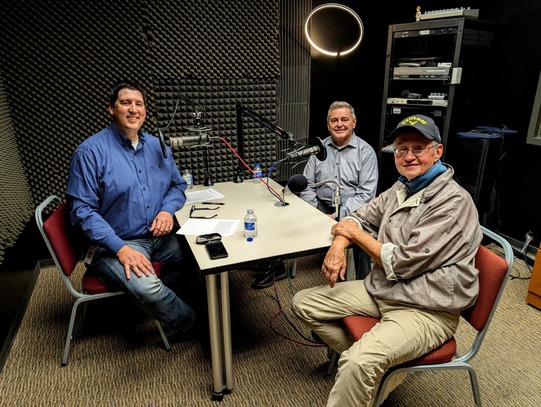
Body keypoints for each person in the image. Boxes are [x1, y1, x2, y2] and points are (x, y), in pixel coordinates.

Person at [291, 114, 482, 406]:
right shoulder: (402, 187)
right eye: (402, 148)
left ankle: (368, 367)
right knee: (304, 303)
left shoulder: (452, 203)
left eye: (418, 148)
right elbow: (359, 217)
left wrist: (352, 233)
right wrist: (339, 245)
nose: (408, 156)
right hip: (385, 290)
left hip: (427, 308)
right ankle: (382, 369)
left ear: (437, 151)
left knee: (357, 362)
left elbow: (402, 262)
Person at [66, 81, 197, 340]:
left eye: (139, 104)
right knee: (147, 288)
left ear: (145, 111)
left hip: (159, 235)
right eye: (126, 103)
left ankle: (155, 307)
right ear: (111, 109)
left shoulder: (157, 146)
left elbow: (177, 185)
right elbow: (82, 211)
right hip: (116, 243)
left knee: (201, 258)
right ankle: (195, 325)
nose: (133, 109)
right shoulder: (90, 152)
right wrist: (122, 250)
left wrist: (167, 211)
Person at [251, 101, 379, 289]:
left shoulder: (366, 152)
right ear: (328, 125)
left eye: (344, 119)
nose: (339, 124)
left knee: (363, 232)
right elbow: (307, 185)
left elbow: (366, 194)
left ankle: (363, 284)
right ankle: (275, 267)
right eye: (334, 120)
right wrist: (315, 213)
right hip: (321, 205)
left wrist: (338, 216)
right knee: (284, 215)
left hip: (354, 209)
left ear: (354, 122)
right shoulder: (317, 149)